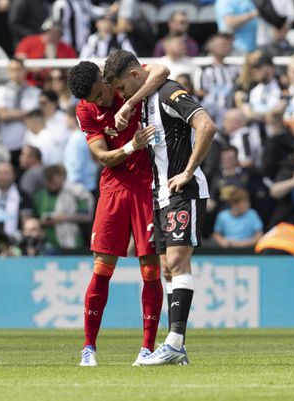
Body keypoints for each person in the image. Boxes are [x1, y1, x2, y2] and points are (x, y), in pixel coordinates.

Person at [104, 49, 216, 365]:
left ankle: (175, 343)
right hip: (161, 195)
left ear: (135, 75)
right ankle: (174, 348)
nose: (125, 95)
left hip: (183, 190)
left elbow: (206, 125)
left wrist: (188, 171)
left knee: (178, 263)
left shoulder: (168, 92)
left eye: (123, 88)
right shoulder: (146, 102)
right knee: (167, 268)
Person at [68, 60, 169, 367]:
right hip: (113, 190)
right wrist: (131, 147)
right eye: (92, 98)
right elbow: (101, 156)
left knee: (150, 268)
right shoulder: (86, 109)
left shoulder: (123, 79)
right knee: (102, 267)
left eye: (100, 92)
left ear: (104, 78)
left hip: (146, 187)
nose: (99, 100)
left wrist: (130, 105)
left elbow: (162, 70)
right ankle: (88, 348)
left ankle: (147, 348)